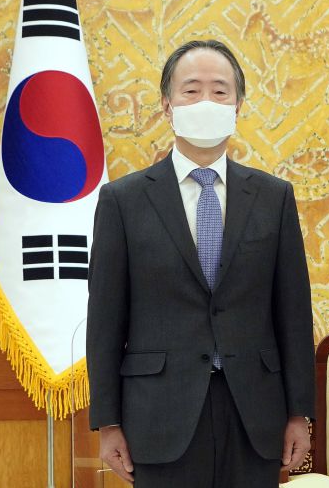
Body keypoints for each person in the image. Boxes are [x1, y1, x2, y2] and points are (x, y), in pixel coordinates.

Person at [87, 39, 315, 488]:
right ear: (167, 105)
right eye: (191, 90)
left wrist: (299, 413)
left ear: (238, 105)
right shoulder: (123, 201)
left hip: (255, 414)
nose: (206, 101)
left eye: (220, 90)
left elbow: (293, 313)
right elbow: (106, 319)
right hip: (158, 414)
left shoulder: (273, 197)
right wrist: (108, 422)